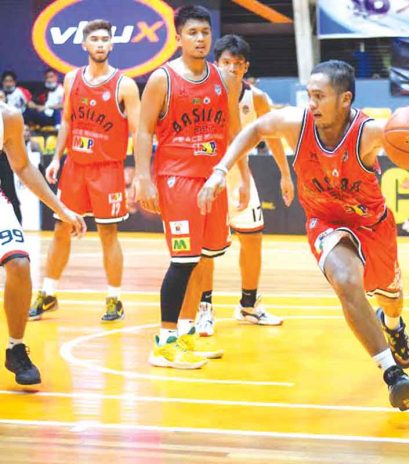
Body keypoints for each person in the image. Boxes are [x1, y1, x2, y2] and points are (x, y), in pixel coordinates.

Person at [198, 60, 409, 411]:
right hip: (324, 221)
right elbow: (255, 129)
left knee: (390, 296)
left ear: (345, 99)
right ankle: (393, 374)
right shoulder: (296, 123)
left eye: (320, 97)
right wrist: (220, 170)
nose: (312, 103)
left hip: (372, 226)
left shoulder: (369, 132)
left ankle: (393, 324)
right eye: (310, 95)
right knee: (345, 280)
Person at [133, 5, 247, 369]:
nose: (200, 39)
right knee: (183, 262)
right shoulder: (161, 79)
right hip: (177, 179)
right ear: (179, 37)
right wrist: (143, 177)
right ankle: (164, 344)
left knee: (203, 261)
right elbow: (144, 130)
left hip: (212, 179)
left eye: (205, 33)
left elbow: (233, 132)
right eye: (192, 33)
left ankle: (184, 336)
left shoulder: (226, 79)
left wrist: (240, 174)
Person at [28, 19, 141, 322]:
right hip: (75, 167)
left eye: (106, 39)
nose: (101, 44)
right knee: (61, 228)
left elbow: (139, 131)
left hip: (107, 169)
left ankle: (114, 299)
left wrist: (142, 173)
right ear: (84, 45)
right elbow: (67, 121)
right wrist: (55, 158)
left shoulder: (124, 85)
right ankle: (49, 293)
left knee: (108, 233)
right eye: (95, 39)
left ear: (112, 44)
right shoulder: (70, 79)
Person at [191, 34, 286, 337]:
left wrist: (285, 173)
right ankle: (204, 307)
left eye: (238, 64)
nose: (232, 69)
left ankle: (248, 305)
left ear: (246, 67)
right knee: (206, 248)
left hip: (240, 175)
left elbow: (272, 137)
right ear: (215, 64)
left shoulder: (256, 97)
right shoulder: (202, 92)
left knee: (253, 239)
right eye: (226, 63)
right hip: (209, 175)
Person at [1, 102, 86, 385]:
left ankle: (15, 348)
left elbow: (23, 166)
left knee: (19, 263)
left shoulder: (8, 116)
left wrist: (61, 208)